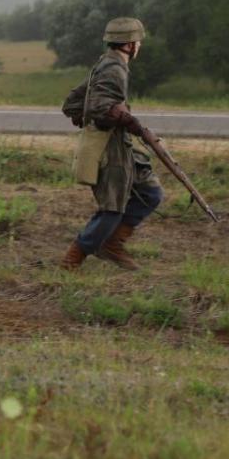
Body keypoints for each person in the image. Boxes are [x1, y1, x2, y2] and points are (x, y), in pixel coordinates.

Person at [59, 17, 163, 270]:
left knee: (150, 192)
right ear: (130, 44)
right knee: (113, 208)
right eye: (138, 42)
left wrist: (88, 115)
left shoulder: (107, 63)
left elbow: (73, 103)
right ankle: (73, 258)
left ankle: (113, 244)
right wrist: (129, 121)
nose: (139, 46)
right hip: (110, 148)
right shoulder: (113, 69)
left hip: (122, 145)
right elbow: (99, 107)